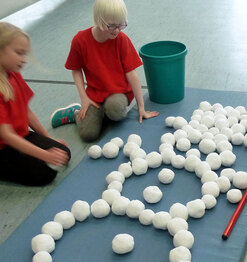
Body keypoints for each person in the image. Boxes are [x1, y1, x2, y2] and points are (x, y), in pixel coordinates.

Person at [50, 0, 158, 141]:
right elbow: (76, 70)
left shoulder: (121, 40)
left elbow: (132, 74)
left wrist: (141, 108)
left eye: (121, 25)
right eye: (112, 25)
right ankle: (74, 113)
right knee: (88, 134)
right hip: (94, 95)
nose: (117, 30)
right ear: (98, 19)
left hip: (118, 94)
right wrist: (84, 98)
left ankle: (104, 113)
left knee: (116, 111)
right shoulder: (80, 40)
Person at [0, 22, 71, 186]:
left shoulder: (13, 74)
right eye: (19, 53)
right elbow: (6, 135)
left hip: (20, 137)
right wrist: (44, 155)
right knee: (44, 174)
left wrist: (48, 138)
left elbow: (27, 112)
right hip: (4, 148)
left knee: (63, 154)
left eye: (25, 54)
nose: (24, 60)